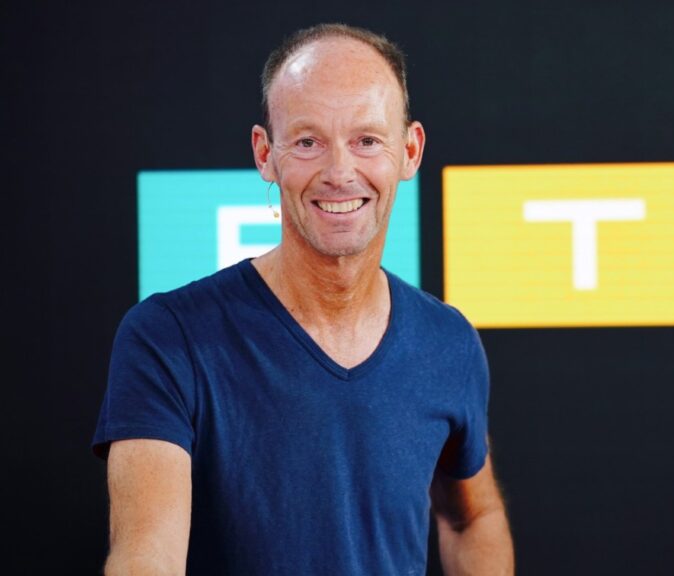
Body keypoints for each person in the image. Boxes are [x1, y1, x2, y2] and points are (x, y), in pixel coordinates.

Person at [92, 23, 514, 575]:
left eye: (367, 140)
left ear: (410, 151)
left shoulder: (447, 341)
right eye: (308, 142)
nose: (339, 173)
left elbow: (471, 518)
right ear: (265, 154)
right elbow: (147, 556)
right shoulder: (169, 337)